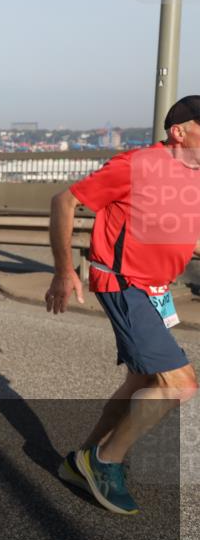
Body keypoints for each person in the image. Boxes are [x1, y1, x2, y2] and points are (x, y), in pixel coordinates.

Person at [47, 95, 200, 515]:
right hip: (123, 284)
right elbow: (65, 200)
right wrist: (64, 271)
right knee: (180, 385)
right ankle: (104, 461)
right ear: (179, 131)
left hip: (156, 291)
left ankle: (83, 458)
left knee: (140, 382)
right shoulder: (138, 164)